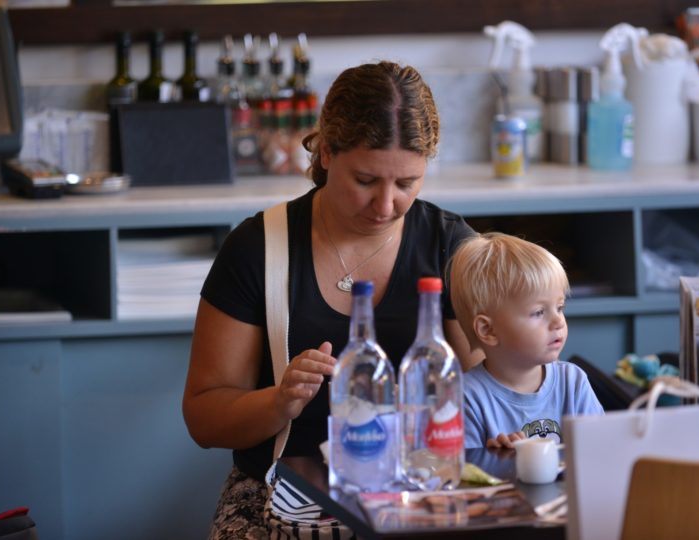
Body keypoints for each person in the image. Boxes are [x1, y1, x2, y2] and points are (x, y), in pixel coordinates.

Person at [182, 60, 478, 539]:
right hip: (280, 497)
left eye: (406, 183)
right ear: (325, 152)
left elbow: (496, 388)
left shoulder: (451, 248)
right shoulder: (260, 248)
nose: (385, 206)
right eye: (365, 180)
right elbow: (204, 417)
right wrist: (279, 402)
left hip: (419, 491)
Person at [448, 232, 604, 449]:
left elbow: (601, 452)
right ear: (488, 330)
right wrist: (496, 458)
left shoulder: (573, 382)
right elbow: (464, 476)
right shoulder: (465, 399)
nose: (558, 321)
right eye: (539, 312)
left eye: (559, 308)